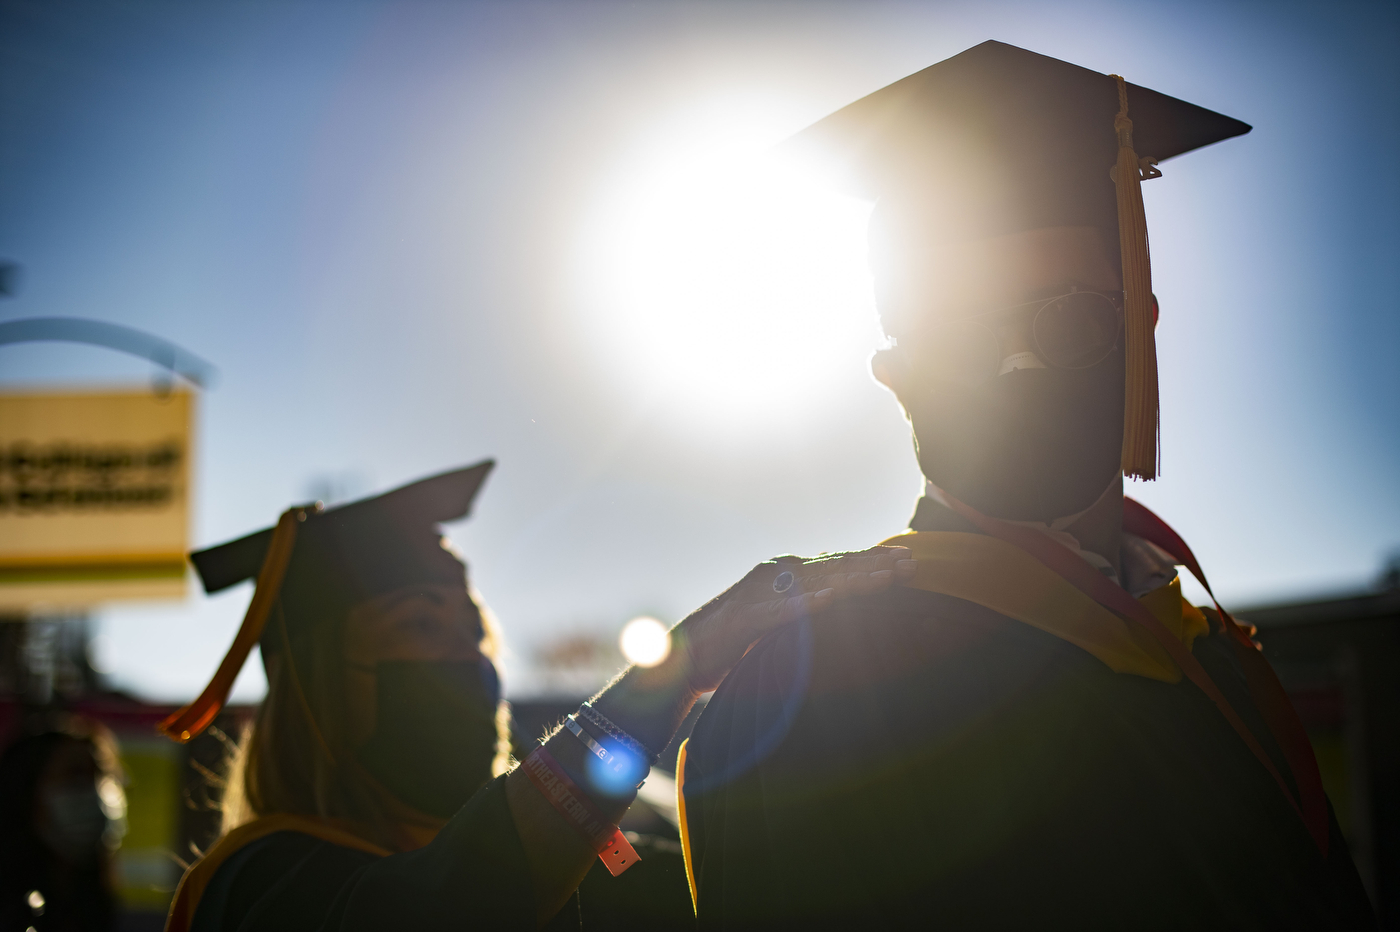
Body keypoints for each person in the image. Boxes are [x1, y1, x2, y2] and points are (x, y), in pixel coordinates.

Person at [676, 41, 1377, 929]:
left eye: (1070, 321)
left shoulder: (1217, 651)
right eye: (963, 343)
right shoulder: (814, 694)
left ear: (1142, 328)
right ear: (895, 373)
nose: (1017, 369)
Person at [159, 461, 914, 930]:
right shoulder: (252, 887)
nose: (464, 654)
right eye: (419, 624)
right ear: (322, 688)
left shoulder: (564, 858)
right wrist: (668, 677)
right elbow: (442, 908)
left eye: (472, 627)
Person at [0, 717, 126, 932]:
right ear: (25, 793)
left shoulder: (91, 905)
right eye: (75, 775)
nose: (94, 793)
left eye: (98, 776)